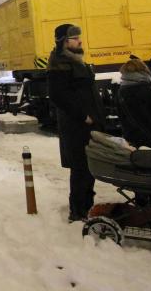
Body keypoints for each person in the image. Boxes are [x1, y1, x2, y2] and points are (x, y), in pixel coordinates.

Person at [47, 24, 105, 222]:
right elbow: (58, 95)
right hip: (76, 126)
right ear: (64, 41)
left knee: (89, 167)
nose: (79, 40)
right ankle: (78, 210)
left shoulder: (76, 61)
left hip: (88, 124)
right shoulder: (59, 64)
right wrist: (83, 115)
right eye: (74, 38)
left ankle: (87, 204)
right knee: (80, 167)